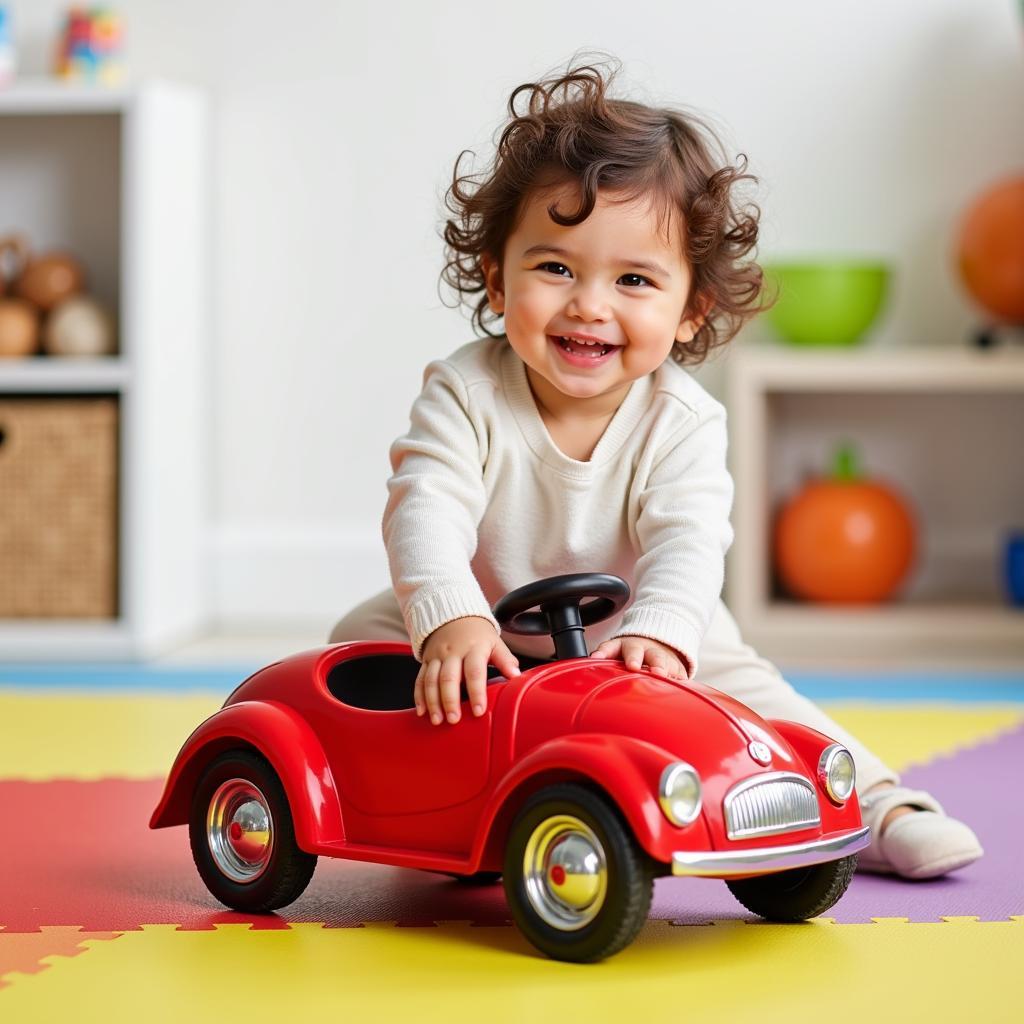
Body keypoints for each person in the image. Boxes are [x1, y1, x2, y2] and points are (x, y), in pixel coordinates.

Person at [330, 58, 982, 880]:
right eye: (555, 267)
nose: (589, 305)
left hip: (636, 641)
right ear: (498, 277)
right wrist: (451, 616)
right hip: (492, 640)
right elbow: (424, 505)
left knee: (755, 695)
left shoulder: (682, 421)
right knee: (356, 645)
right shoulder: (465, 390)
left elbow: (690, 541)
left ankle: (880, 803)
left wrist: (663, 634)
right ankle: (455, 799)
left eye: (634, 280)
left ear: (689, 311)